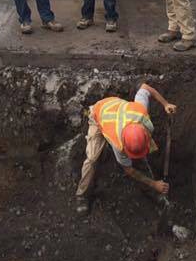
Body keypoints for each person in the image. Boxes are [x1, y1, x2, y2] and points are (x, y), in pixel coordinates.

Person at [75, 82, 178, 214]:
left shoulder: (140, 113)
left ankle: (152, 188)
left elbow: (144, 87)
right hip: (98, 115)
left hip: (116, 105)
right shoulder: (117, 143)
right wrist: (153, 184)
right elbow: (129, 170)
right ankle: (81, 195)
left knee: (141, 160)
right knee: (92, 159)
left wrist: (165, 104)